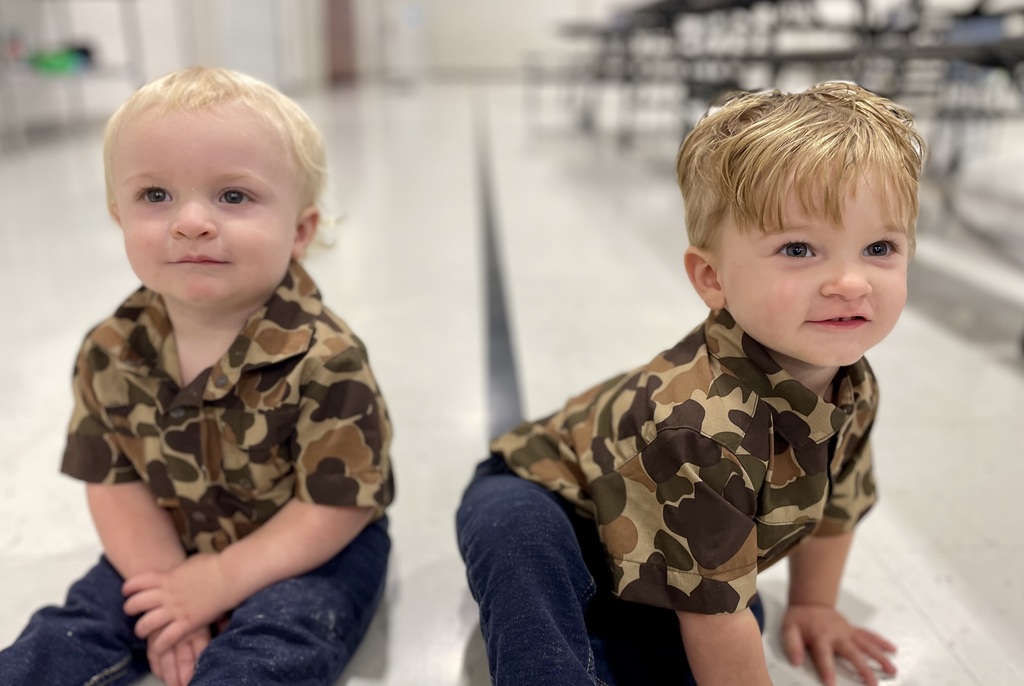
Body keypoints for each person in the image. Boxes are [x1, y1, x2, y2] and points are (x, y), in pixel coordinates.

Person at [457, 81, 924, 686]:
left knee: (720, 621)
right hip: (547, 494)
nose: (850, 283)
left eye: (879, 247)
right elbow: (715, 619)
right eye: (799, 249)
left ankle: (608, 621)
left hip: (658, 534)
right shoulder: (702, 424)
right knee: (525, 553)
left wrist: (814, 605)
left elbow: (839, 504)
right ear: (711, 277)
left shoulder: (853, 386)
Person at [0, 66, 395, 686]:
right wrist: (170, 593)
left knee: (279, 640)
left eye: (233, 196)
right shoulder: (110, 351)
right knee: (71, 630)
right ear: (119, 216)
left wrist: (217, 581)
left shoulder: (325, 358)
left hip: (309, 549)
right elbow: (114, 483)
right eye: (155, 195)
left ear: (300, 231)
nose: (190, 222)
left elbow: (336, 505)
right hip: (168, 536)